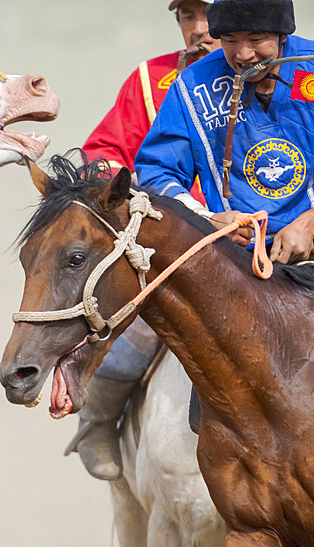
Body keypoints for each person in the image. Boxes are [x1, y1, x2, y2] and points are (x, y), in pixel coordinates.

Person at [73, 0, 219, 479]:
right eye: (186, 17)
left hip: (260, 241)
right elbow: (102, 151)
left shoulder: (287, 78)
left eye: (209, 14)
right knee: (134, 328)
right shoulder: (149, 80)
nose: (199, 29)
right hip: (167, 246)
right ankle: (97, 421)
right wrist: (123, 188)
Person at [136, 0, 313, 262]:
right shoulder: (192, 86)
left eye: (256, 39)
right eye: (230, 40)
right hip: (236, 263)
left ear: (283, 35)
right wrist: (206, 221)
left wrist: (310, 223)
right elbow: (157, 172)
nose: (243, 54)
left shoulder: (309, 68)